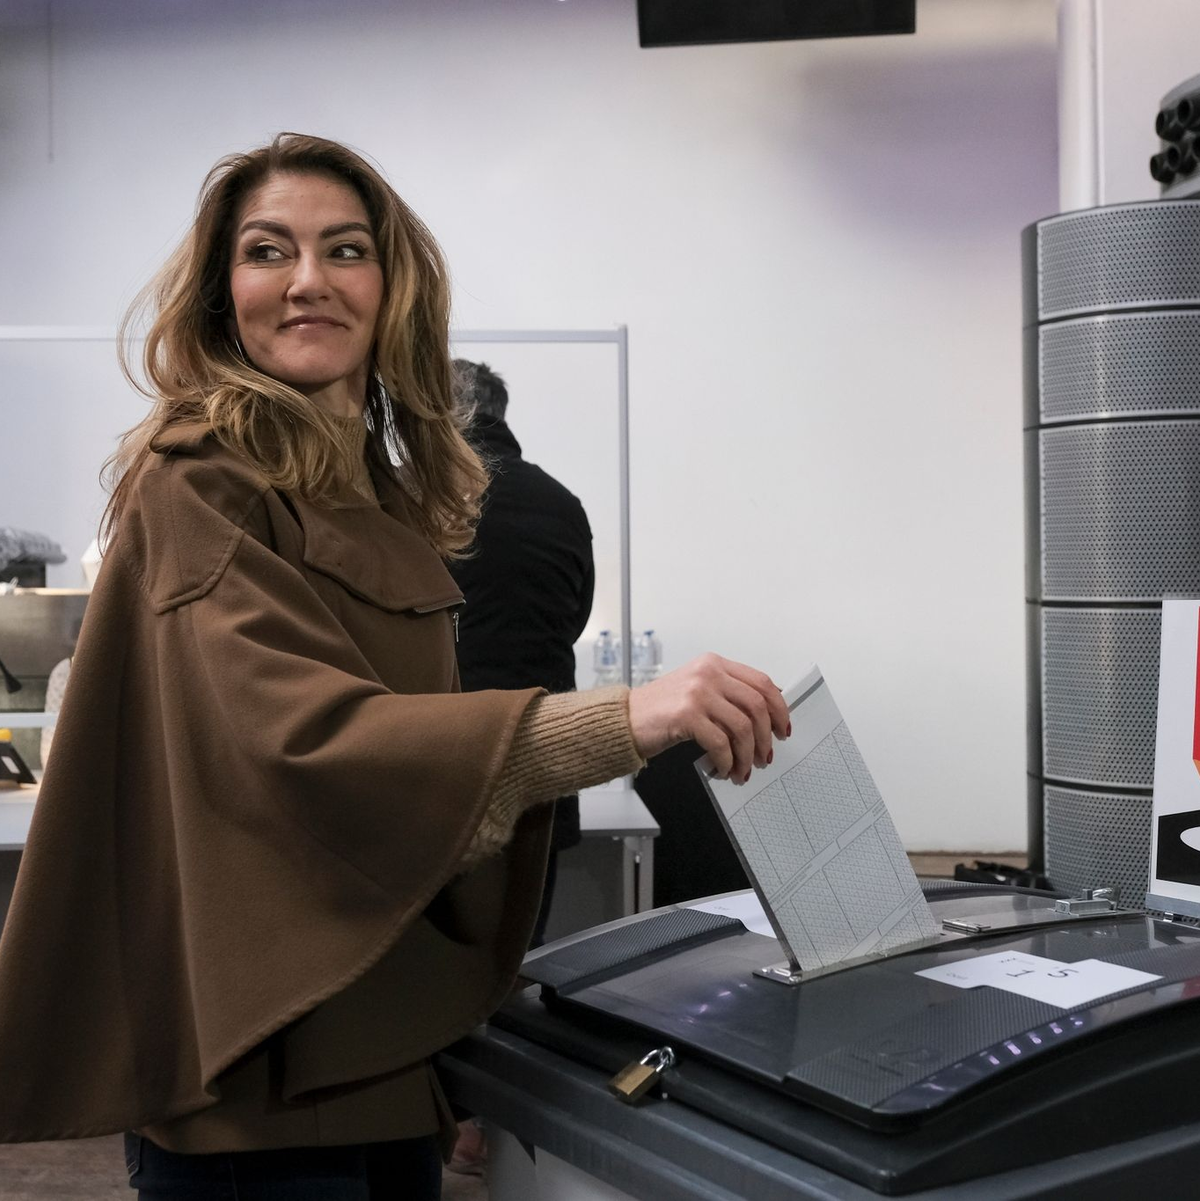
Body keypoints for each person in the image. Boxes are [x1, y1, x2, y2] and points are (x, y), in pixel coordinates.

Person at [0, 133, 789, 1201]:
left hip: (368, 1041)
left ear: (391, 286)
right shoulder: (200, 483)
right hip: (261, 1066)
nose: (309, 280)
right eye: (269, 251)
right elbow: (308, 742)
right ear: (223, 295)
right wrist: (625, 717)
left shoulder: (367, 491)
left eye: (345, 249)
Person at [449, 359, 593, 949]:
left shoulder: (405, 493)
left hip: (445, 758)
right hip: (545, 752)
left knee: (433, 977)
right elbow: (574, 617)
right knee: (518, 955)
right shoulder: (563, 504)